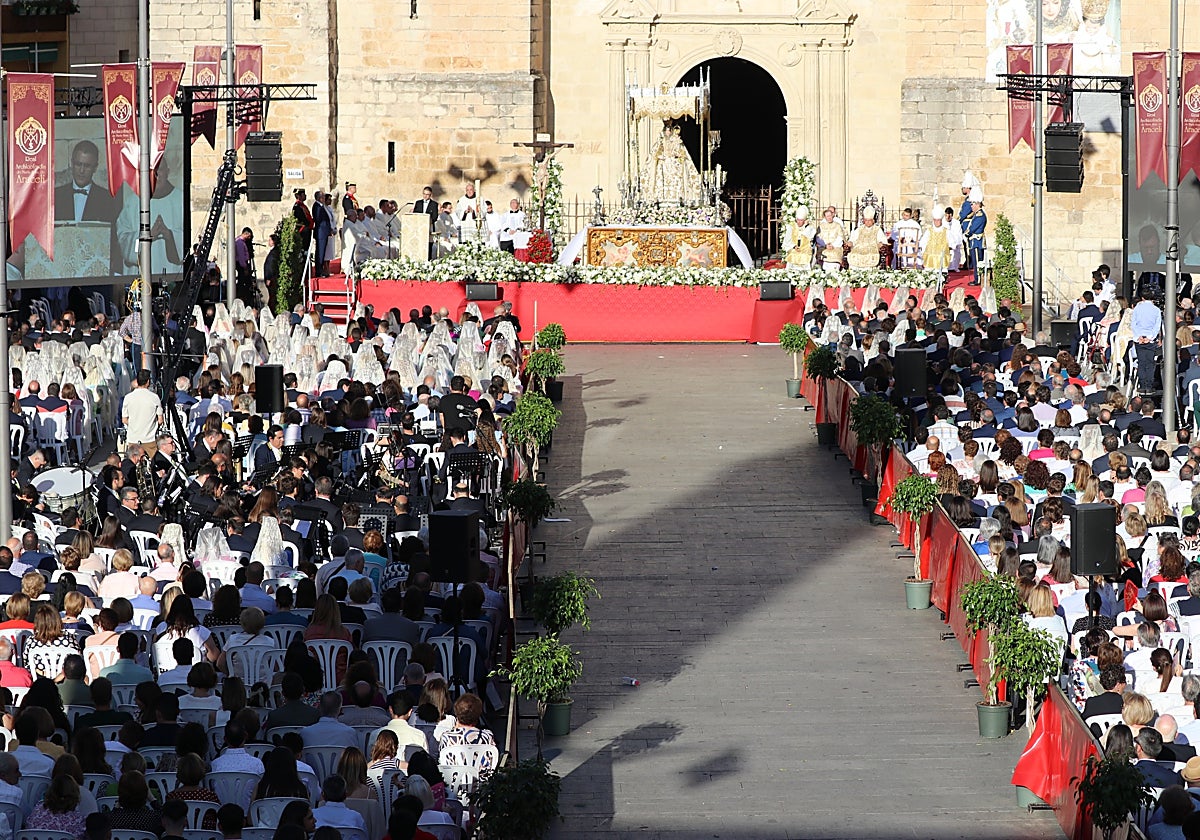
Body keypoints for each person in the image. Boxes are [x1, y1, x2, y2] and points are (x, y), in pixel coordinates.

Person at [122, 369, 164, 458]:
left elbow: (124, 419)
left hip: (133, 438)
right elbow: (160, 420)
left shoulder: (128, 398)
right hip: (149, 438)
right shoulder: (154, 398)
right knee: (154, 465)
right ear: (148, 382)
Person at [1132, 286, 1164, 394]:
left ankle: (1142, 385)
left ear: (1142, 298)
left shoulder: (1137, 309)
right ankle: (1149, 385)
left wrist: (1138, 336)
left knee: (1141, 363)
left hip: (1139, 339)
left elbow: (1133, 324)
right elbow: (1157, 325)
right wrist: (1150, 337)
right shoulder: (1156, 310)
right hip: (1150, 339)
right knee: (1150, 363)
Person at [962, 199, 987, 285]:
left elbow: (972, 228)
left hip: (977, 242)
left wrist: (966, 234)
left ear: (977, 204)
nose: (971, 206)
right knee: (975, 260)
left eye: (973, 204)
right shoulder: (976, 215)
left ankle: (978, 279)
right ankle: (977, 278)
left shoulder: (980, 215)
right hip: (974, 242)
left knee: (977, 261)